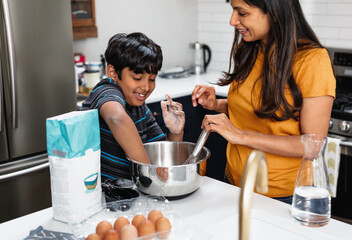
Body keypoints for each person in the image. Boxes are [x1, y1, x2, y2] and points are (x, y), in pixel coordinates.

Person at [191, 0, 335, 204]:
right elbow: (263, 111)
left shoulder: (312, 61)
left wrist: (240, 135)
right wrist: (219, 105)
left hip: (283, 197)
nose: (233, 21)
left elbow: (312, 145)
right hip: (234, 184)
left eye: (242, 13)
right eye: (233, 11)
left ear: (274, 12)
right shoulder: (251, 49)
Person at [82, 32, 185, 180]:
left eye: (152, 79)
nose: (145, 87)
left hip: (131, 196)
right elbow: (116, 117)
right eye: (137, 78)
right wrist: (151, 173)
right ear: (112, 72)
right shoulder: (106, 90)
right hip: (102, 197)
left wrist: (176, 133)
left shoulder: (138, 107)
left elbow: (162, 161)